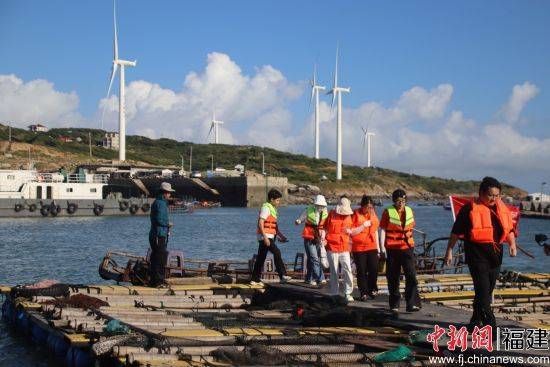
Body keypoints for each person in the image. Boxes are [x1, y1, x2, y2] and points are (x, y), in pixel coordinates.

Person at [445, 177, 517, 330]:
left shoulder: (501, 207)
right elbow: (455, 232)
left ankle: (474, 321)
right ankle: (490, 326)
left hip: (496, 255)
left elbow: (508, 228)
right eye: (491, 195)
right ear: (481, 193)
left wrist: (512, 244)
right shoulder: (469, 209)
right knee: (483, 291)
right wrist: (449, 250)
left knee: (486, 290)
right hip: (476, 255)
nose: (494, 199)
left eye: (497, 195)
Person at [380, 189, 421, 312]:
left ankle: (412, 303)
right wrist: (382, 248)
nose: (401, 203)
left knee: (411, 275)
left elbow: (411, 227)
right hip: (392, 248)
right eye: (398, 201)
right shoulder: (387, 212)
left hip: (407, 247)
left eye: (403, 201)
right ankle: (394, 304)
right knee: (393, 277)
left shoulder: (409, 211)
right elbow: (382, 229)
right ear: (394, 201)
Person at [324, 196, 365, 302]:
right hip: (332, 247)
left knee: (347, 270)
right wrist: (322, 240)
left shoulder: (349, 217)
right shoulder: (331, 214)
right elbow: (324, 228)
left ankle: (347, 293)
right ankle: (335, 293)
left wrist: (362, 227)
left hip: (345, 247)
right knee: (334, 271)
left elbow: (352, 231)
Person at [250, 189, 292, 285]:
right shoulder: (266, 208)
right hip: (265, 236)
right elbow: (261, 223)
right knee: (277, 252)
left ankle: (254, 279)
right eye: (277, 200)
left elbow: (274, 226)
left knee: (261, 257)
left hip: (269, 236)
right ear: (272, 199)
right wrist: (265, 237)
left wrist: (281, 236)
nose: (278, 202)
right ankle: (282, 275)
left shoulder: (273, 209)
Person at [351, 195, 380, 301]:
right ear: (362, 206)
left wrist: (380, 248)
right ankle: (363, 292)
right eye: (367, 207)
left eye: (371, 207)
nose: (369, 209)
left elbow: (375, 230)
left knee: (374, 268)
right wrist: (363, 225)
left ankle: (373, 288)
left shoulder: (373, 214)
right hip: (358, 247)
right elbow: (352, 231)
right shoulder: (355, 214)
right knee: (361, 270)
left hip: (372, 246)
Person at [295, 195, 328, 286]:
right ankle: (320, 278)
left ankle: (308, 279)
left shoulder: (325, 213)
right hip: (309, 236)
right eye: (318, 205)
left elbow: (326, 226)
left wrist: (325, 238)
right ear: (315, 205)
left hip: (319, 237)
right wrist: (298, 221)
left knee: (311, 259)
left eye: (322, 206)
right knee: (314, 258)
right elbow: (301, 218)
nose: (320, 207)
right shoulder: (308, 210)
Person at [149, 182, 175, 287]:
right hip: (158, 235)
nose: (170, 195)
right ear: (165, 193)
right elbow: (160, 219)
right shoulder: (161, 203)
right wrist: (168, 224)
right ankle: (158, 281)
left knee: (158, 257)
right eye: (169, 193)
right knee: (160, 258)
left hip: (157, 234)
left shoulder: (159, 202)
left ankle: (156, 280)